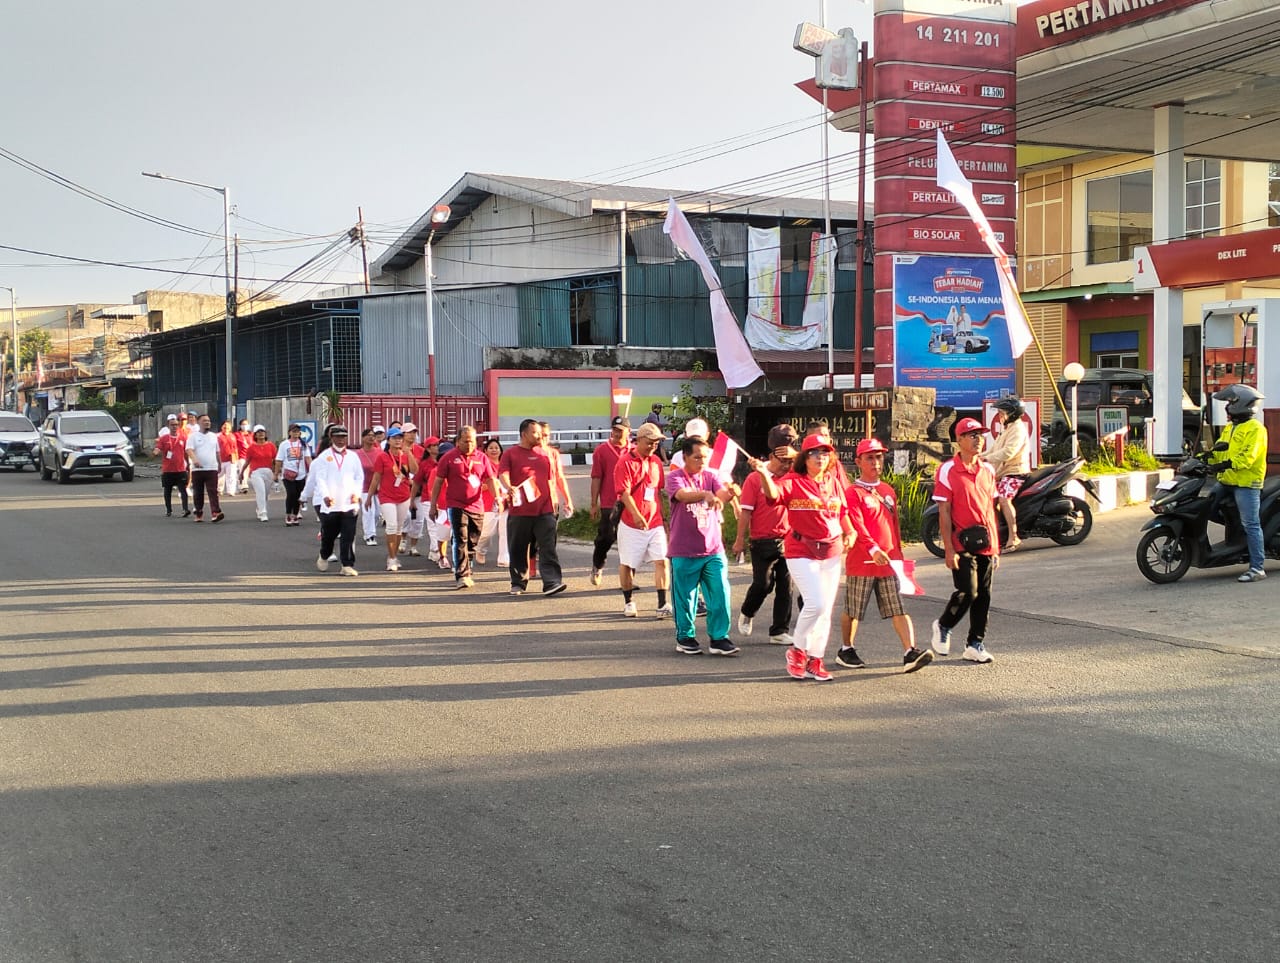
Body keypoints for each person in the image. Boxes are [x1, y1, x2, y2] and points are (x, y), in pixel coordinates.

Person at [757, 433, 856, 681]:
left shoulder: (832, 481)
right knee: (816, 603)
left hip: (831, 550)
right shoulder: (794, 480)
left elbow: (841, 511)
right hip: (802, 550)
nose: (820, 458)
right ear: (804, 457)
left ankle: (816, 659)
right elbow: (773, 496)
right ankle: (798, 650)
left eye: (825, 453)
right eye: (814, 453)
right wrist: (762, 473)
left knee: (826, 610)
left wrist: (850, 530)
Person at [836, 437, 933, 673]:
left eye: (879, 457)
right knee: (853, 610)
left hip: (888, 562)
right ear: (858, 461)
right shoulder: (853, 493)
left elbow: (894, 527)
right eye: (870, 458)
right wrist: (872, 548)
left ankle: (910, 651)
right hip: (863, 562)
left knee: (897, 607)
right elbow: (856, 524)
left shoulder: (887, 490)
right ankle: (846, 648)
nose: (876, 462)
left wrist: (898, 557)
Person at [931, 417, 1001, 664]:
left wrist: (997, 548)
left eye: (980, 435)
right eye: (972, 435)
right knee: (968, 591)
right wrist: (948, 549)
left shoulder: (988, 469)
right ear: (959, 440)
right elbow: (944, 511)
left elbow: (991, 509)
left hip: (986, 541)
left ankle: (975, 644)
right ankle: (943, 624)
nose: (978, 439)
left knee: (984, 594)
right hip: (961, 541)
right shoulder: (948, 469)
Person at [666, 437, 741, 655]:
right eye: (697, 457)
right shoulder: (675, 477)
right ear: (685, 457)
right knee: (686, 598)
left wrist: (731, 492)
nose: (701, 461)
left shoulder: (711, 476)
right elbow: (681, 496)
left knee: (720, 593)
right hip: (684, 550)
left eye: (705, 457)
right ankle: (685, 636)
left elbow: (721, 495)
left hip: (712, 549)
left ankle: (719, 637)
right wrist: (704, 495)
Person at [731, 424, 798, 645]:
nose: (787, 466)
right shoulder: (754, 479)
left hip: (788, 538)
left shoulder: (793, 477)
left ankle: (779, 630)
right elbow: (746, 512)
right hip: (762, 540)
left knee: (785, 586)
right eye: (783, 461)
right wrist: (740, 539)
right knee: (763, 584)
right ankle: (748, 611)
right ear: (771, 456)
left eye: (790, 461)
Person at [499, 418, 568, 596]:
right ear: (524, 434)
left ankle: (552, 582)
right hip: (520, 509)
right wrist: (509, 487)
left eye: (540, 432)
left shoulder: (546, 454)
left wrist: (562, 499)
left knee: (548, 546)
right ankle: (518, 582)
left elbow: (556, 478)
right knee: (518, 547)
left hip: (545, 509)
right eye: (535, 432)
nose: (539, 435)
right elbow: (503, 474)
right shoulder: (511, 453)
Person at [429, 425, 502, 590]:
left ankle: (467, 565)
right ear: (458, 442)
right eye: (465, 441)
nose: (469, 445)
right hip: (455, 504)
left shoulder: (482, 458)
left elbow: (490, 480)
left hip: (477, 506)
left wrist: (498, 498)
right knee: (460, 538)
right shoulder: (448, 458)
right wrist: (433, 505)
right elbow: (438, 482)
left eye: (472, 441)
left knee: (472, 540)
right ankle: (462, 574)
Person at [1208, 384, 1269, 583]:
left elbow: (1248, 457)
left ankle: (1257, 568)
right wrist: (1204, 459)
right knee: (1205, 507)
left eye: (1231, 402)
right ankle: (1237, 540)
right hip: (1227, 480)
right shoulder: (1231, 427)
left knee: (1251, 524)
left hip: (1246, 483)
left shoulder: (1256, 429)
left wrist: (1225, 464)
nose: (1228, 406)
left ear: (1242, 404)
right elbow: (1219, 450)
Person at [614, 421, 671, 618]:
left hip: (654, 522)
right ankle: (629, 601)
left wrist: (664, 519)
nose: (653, 446)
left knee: (662, 560)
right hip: (631, 523)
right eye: (650, 442)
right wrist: (637, 515)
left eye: (657, 443)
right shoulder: (625, 462)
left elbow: (657, 492)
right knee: (628, 563)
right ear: (638, 440)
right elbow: (623, 493)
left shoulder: (656, 462)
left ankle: (663, 604)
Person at [311, 425, 363, 577]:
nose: (341, 440)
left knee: (348, 534)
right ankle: (324, 554)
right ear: (332, 438)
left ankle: (347, 564)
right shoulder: (324, 457)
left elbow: (359, 477)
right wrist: (325, 495)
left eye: (343, 437)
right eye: (338, 437)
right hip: (331, 503)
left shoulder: (353, 456)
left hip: (349, 503)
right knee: (329, 535)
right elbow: (320, 479)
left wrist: (356, 493)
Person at [365, 426, 417, 571]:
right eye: (394, 438)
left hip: (404, 495)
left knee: (399, 528)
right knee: (392, 526)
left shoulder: (405, 455)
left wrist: (409, 454)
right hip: (387, 496)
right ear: (388, 440)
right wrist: (369, 497)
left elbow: (415, 471)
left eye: (400, 438)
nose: (398, 440)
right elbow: (376, 478)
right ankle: (392, 558)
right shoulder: (382, 456)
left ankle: (393, 556)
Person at [985, 397, 1031, 551]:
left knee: (1004, 499)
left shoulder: (1018, 430)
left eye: (1001, 412)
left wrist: (987, 458)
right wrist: (976, 457)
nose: (999, 416)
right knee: (988, 499)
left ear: (1011, 414)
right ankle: (997, 535)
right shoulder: (1006, 429)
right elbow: (994, 450)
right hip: (1003, 472)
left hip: (1015, 472)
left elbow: (1008, 452)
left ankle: (1013, 536)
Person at [588, 416, 630, 585]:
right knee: (606, 537)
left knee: (629, 541)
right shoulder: (602, 451)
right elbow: (596, 477)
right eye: (614, 430)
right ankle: (597, 565)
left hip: (629, 503)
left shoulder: (633, 451)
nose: (617, 433)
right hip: (609, 502)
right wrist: (593, 503)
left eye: (620, 430)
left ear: (628, 432)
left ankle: (628, 578)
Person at [476, 438, 509, 568]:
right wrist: (484, 486)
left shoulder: (505, 465)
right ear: (485, 451)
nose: (494, 450)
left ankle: (503, 558)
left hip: (505, 501)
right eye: (491, 448)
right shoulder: (483, 465)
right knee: (488, 532)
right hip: (488, 502)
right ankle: (480, 549)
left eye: (496, 448)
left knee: (505, 531)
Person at [185, 413, 224, 523]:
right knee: (198, 492)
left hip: (211, 468)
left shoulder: (213, 436)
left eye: (208, 421)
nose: (207, 422)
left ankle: (215, 512)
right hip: (198, 470)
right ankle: (198, 512)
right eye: (204, 421)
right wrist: (195, 460)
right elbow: (189, 450)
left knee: (213, 491)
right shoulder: (193, 436)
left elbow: (217, 451)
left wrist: (220, 464)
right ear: (198, 423)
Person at [153, 413, 190, 517]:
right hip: (168, 470)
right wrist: (156, 451)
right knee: (167, 491)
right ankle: (169, 510)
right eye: (172, 425)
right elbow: (158, 447)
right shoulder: (164, 438)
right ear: (168, 426)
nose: (174, 427)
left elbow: (186, 451)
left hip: (180, 469)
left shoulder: (183, 437)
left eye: (176, 425)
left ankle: (185, 509)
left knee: (183, 490)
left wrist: (188, 464)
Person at [274, 424, 312, 526]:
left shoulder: (303, 445)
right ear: (289, 432)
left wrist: (312, 470)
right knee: (291, 494)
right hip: (288, 474)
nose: (296, 433)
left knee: (298, 495)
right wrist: (276, 473)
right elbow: (279, 460)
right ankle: (288, 514)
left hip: (301, 474)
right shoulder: (284, 445)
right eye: (294, 431)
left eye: (297, 431)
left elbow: (308, 458)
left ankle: (295, 515)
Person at [243, 425, 278, 522]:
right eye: (258, 432)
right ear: (255, 435)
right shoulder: (251, 447)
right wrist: (241, 473)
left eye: (262, 431)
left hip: (268, 472)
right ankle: (263, 513)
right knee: (261, 491)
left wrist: (276, 473)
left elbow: (276, 460)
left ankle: (259, 508)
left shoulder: (271, 446)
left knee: (265, 493)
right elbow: (247, 461)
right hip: (256, 472)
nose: (261, 433)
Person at [356, 427, 382, 546]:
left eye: (373, 435)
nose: (371, 437)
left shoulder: (379, 452)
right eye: (368, 435)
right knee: (368, 512)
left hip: (378, 487)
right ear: (363, 438)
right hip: (364, 487)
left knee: (377, 513)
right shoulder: (358, 454)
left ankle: (372, 529)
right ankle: (369, 535)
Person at [216, 421, 240, 498]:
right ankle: (219, 490)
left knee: (231, 476)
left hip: (231, 459)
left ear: (230, 428)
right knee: (220, 475)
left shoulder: (232, 436)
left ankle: (231, 491)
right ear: (221, 427)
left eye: (228, 427)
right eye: (224, 426)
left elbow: (235, 447)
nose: (226, 428)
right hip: (221, 459)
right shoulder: (218, 436)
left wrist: (236, 458)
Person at [234, 419, 254, 492]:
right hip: (241, 455)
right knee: (243, 470)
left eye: (246, 424)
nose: (245, 426)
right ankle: (243, 485)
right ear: (240, 425)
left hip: (250, 455)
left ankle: (241, 485)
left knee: (247, 471)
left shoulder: (251, 434)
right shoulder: (236, 435)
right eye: (243, 424)